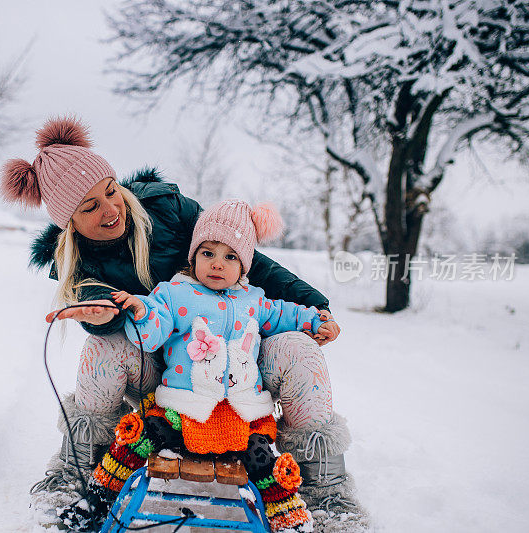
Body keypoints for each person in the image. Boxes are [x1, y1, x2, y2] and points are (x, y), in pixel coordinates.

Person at [0, 116, 368, 532]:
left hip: (239, 366)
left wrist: (315, 308)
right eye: (90, 207)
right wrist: (104, 317)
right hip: (163, 371)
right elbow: (97, 306)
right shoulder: (76, 262)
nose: (110, 209)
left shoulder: (167, 210)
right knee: (100, 349)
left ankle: (326, 491)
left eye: (110, 191)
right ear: (69, 221)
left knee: (301, 349)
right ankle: (78, 475)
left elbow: (244, 255)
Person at [58, 200, 335, 532]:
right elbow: (153, 326)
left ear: (244, 265)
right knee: (134, 440)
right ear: (193, 256)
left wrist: (315, 320)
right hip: (180, 411)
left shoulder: (255, 301)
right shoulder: (175, 293)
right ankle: (97, 501)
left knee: (266, 465)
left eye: (230, 256)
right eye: (208, 253)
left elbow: (286, 313)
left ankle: (289, 519)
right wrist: (140, 310)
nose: (217, 264)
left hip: (242, 417)